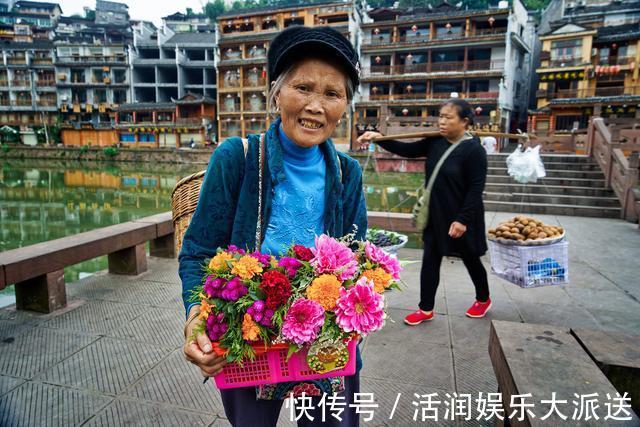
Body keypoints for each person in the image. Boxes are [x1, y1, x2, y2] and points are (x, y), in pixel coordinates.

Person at [180, 26, 367, 426]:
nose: (316, 106)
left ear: (346, 105)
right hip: (250, 338)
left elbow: (356, 260)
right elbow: (198, 250)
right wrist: (196, 316)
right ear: (276, 91)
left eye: (332, 94)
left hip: (323, 341)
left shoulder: (347, 173)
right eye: (303, 87)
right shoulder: (237, 158)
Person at [357, 99, 491, 326]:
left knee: (470, 258)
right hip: (436, 214)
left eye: (449, 117)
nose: (442, 121)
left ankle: (483, 298)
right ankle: (425, 308)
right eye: (441, 116)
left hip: (462, 217)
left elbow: (475, 189)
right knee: (430, 259)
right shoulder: (435, 142)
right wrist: (378, 138)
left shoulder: (474, 150)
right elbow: (407, 150)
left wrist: (462, 219)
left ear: (465, 121)